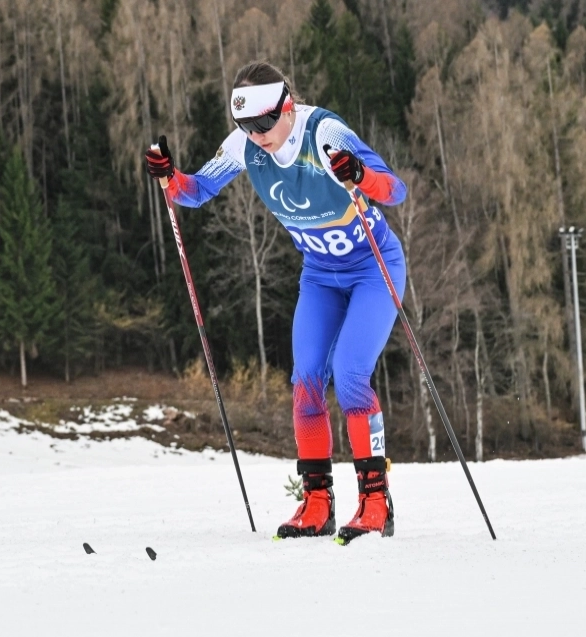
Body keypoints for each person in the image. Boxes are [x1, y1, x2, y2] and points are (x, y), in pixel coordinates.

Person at [145, 61, 406, 544]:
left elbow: (395, 190)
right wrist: (169, 176)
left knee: (350, 374)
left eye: (265, 122)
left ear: (287, 107)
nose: (257, 135)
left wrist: (360, 174)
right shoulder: (244, 145)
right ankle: (317, 503)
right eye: (247, 125)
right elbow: (195, 191)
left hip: (373, 267)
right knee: (306, 380)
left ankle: (375, 502)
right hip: (320, 276)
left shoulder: (325, 133)